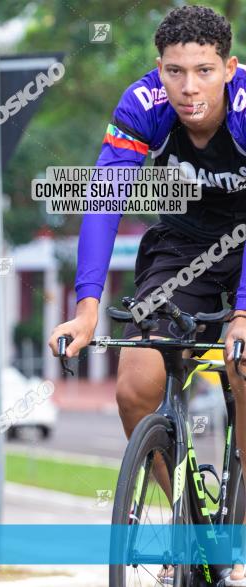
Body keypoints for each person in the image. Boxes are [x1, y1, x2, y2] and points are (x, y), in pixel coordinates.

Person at [48, 6, 246, 584]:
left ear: (229, 68)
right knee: (136, 388)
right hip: (184, 247)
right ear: (158, 70)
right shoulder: (143, 105)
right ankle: (192, 528)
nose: (189, 88)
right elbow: (105, 197)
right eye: (175, 71)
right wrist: (87, 308)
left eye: (205, 71)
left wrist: (241, 312)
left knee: (244, 365)